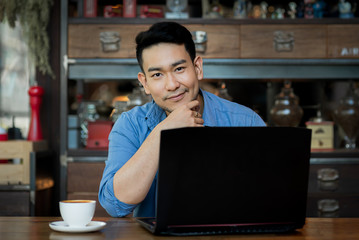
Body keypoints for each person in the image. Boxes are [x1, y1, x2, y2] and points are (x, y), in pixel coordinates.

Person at [98, 22, 266, 218]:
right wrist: (163, 131)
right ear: (145, 83)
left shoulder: (245, 121)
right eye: (158, 74)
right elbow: (115, 205)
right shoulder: (131, 125)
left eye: (179, 69)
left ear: (197, 68)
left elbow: (268, 199)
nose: (172, 85)